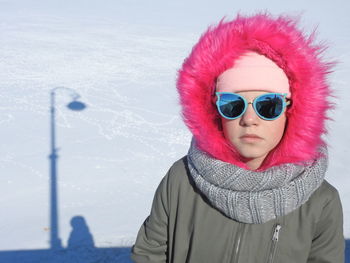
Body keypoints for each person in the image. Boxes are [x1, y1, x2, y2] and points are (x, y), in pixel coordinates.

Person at [131, 12, 345, 263]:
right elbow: (149, 254)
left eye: (268, 106)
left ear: (292, 111)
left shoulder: (321, 201)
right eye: (233, 105)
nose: (249, 119)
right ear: (215, 111)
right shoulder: (181, 180)